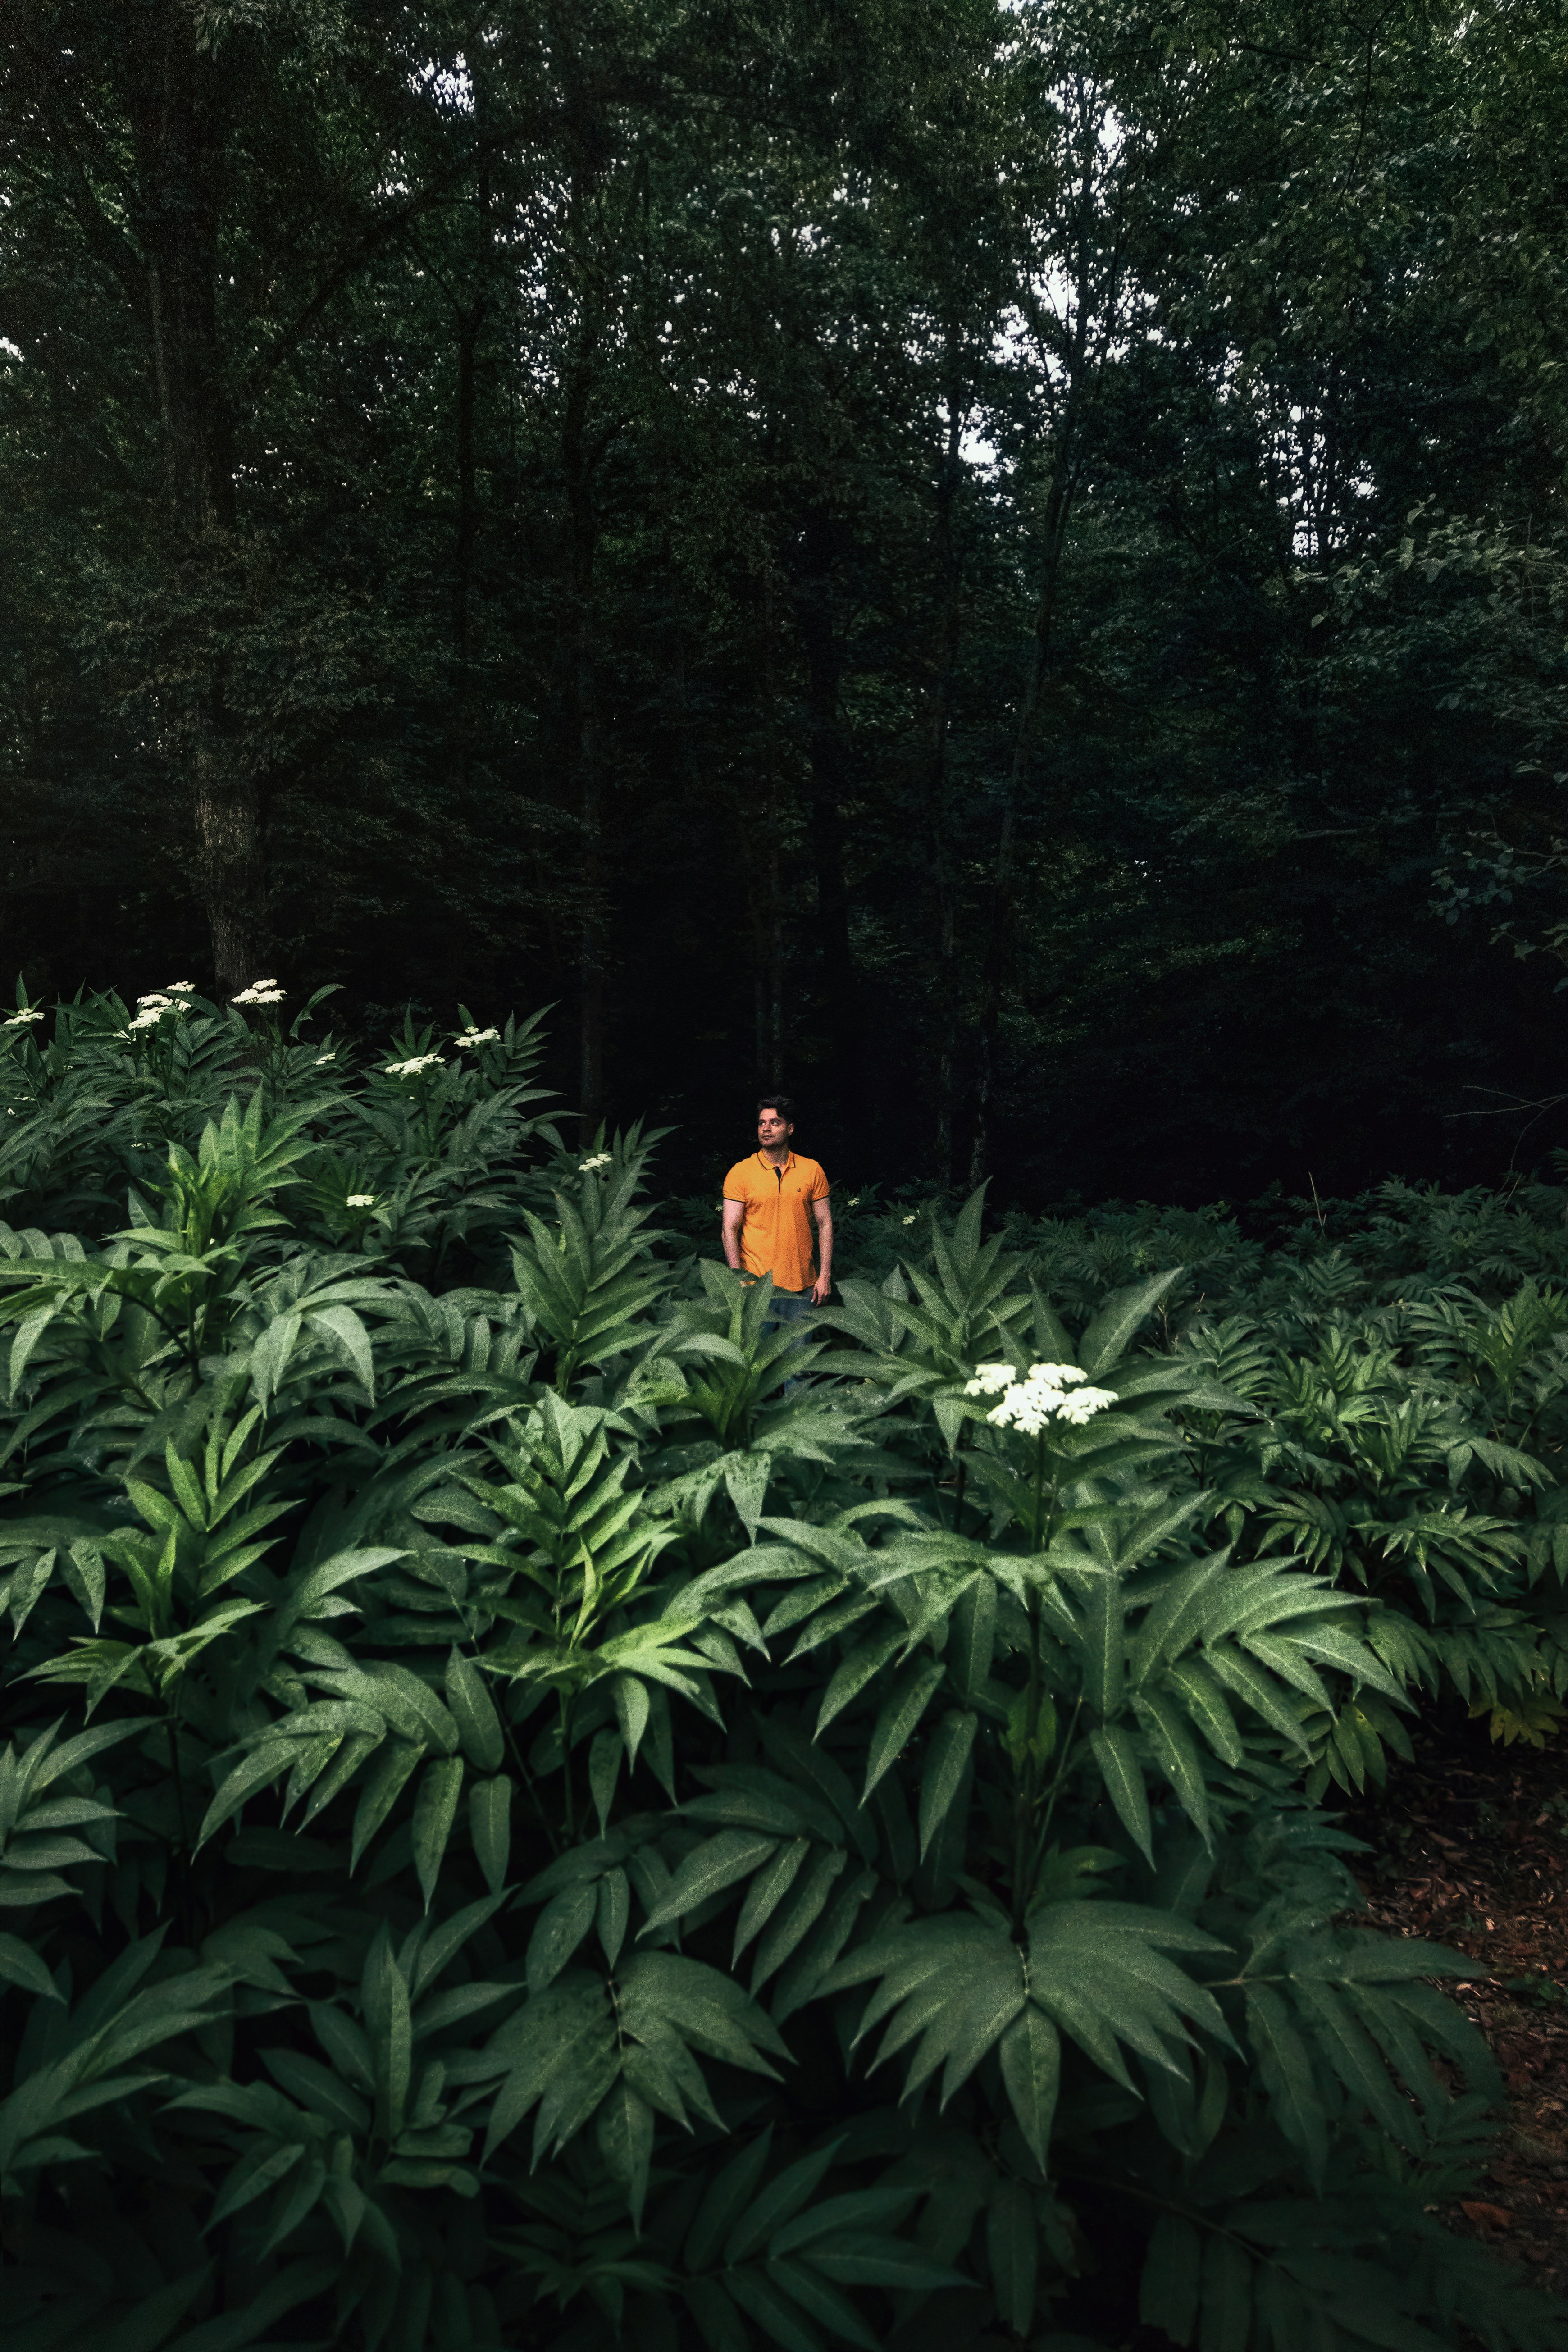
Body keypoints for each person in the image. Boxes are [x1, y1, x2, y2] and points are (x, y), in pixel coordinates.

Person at [720, 1098, 833, 1344]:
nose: (766, 1129)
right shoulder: (741, 1173)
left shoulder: (812, 1170)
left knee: (798, 1368)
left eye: (775, 1123)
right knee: (755, 1366)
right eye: (762, 1123)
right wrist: (736, 1276)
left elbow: (825, 1224)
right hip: (755, 1286)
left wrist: (824, 1275)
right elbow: (729, 1229)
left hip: (802, 1286)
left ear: (790, 1129)